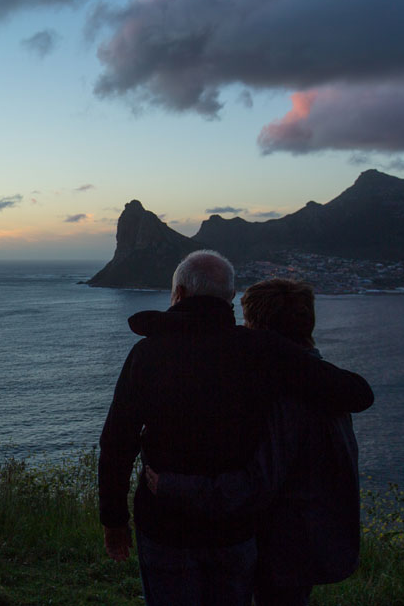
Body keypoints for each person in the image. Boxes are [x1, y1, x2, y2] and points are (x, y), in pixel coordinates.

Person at [98, 251, 372, 606]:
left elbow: (117, 443)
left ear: (178, 293)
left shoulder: (147, 353)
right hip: (235, 530)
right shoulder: (261, 351)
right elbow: (355, 393)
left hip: (165, 524)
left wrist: (114, 521)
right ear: (229, 298)